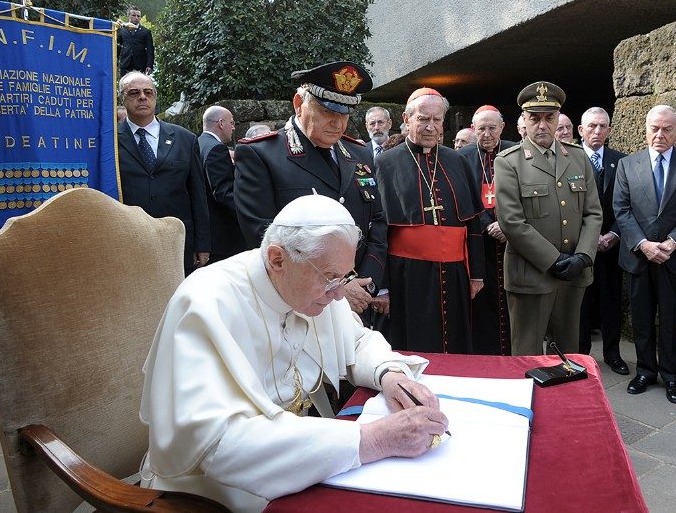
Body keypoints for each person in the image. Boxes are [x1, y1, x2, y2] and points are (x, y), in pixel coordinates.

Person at [139, 195, 448, 512]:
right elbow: (219, 447)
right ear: (277, 259)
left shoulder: (313, 284)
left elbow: (355, 340)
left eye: (346, 277)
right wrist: (376, 440)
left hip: (300, 462)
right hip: (211, 493)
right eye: (331, 278)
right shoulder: (207, 302)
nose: (340, 293)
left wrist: (390, 375)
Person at [234, 61, 387, 328]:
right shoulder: (262, 155)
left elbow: (378, 222)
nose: (338, 123)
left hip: (358, 300)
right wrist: (337, 287)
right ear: (298, 103)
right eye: (327, 111)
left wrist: (365, 283)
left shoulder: (359, 154)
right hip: (297, 304)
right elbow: (264, 235)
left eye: (345, 114)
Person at [495, 82, 602, 356]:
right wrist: (553, 260)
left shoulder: (577, 157)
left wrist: (583, 257)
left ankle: (563, 400)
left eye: (549, 118)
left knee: (568, 352)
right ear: (524, 121)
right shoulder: (509, 161)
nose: (542, 125)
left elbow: (593, 213)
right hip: (531, 274)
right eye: (535, 118)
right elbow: (512, 222)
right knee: (527, 354)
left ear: (558, 119)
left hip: (574, 274)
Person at [375, 87, 486, 353]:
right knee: (413, 343)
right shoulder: (386, 163)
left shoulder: (457, 161)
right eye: (423, 119)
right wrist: (382, 287)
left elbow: (473, 224)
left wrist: (477, 275)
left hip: (455, 273)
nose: (430, 127)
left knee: (455, 341)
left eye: (437, 120)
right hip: (406, 274)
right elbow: (379, 230)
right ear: (407, 118)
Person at [614, 105, 676, 405]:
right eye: (654, 128)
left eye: (667, 128)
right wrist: (643, 244)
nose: (660, 134)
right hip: (639, 257)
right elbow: (622, 209)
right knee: (641, 318)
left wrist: (672, 243)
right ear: (645, 129)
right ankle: (644, 371)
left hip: (674, 257)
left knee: (672, 319)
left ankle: (672, 376)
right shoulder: (628, 165)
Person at [117, 71, 209, 275]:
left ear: (155, 97)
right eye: (134, 93)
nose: (142, 97)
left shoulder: (185, 139)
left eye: (148, 92)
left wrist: (202, 244)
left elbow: (198, 194)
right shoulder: (110, 141)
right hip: (130, 241)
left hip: (177, 242)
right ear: (121, 99)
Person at [459, 105, 516, 355]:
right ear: (474, 129)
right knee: (483, 306)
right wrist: (485, 223)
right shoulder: (461, 157)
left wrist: (507, 225)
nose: (487, 134)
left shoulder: (516, 152)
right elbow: (461, 198)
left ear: (502, 127)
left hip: (513, 241)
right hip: (479, 244)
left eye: (493, 128)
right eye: (481, 128)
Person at [576, 107, 629, 375]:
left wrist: (615, 233)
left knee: (611, 302)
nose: (598, 131)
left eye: (603, 126)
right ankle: (580, 355)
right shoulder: (568, 158)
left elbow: (629, 204)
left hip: (610, 246)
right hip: (579, 246)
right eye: (592, 126)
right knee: (581, 304)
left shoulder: (622, 161)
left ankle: (613, 354)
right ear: (581, 130)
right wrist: (587, 237)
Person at [198, 106, 247, 264]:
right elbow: (223, 192)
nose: (233, 128)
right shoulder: (216, 149)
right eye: (232, 123)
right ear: (221, 123)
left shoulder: (198, 143)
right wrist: (247, 213)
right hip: (223, 236)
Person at [117, 6, 154, 77]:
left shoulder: (146, 32)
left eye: (138, 16)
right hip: (125, 63)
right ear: (128, 16)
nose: (136, 18)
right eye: (133, 15)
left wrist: (149, 65)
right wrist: (116, 62)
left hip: (140, 65)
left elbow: (150, 49)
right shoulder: (122, 30)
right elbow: (118, 45)